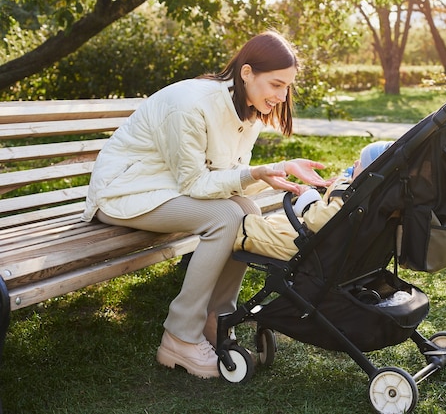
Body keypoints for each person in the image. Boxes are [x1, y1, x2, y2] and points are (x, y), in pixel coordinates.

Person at [81, 31, 330, 379]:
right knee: (227, 217)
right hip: (123, 193)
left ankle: (217, 319)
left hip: (165, 190)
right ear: (246, 73)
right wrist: (256, 172)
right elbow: (195, 183)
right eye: (276, 84)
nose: (282, 95)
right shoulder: (191, 105)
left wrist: (272, 171)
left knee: (248, 214)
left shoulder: (249, 112)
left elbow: (227, 175)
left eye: (287, 86)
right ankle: (180, 336)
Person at [234, 140, 393, 260]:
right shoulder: (380, 199)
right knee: (275, 221)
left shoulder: (350, 197)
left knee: (242, 227)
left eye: (361, 162)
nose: (355, 162)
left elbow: (323, 222)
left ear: (369, 177)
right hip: (336, 250)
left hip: (314, 251)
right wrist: (340, 183)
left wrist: (307, 198)